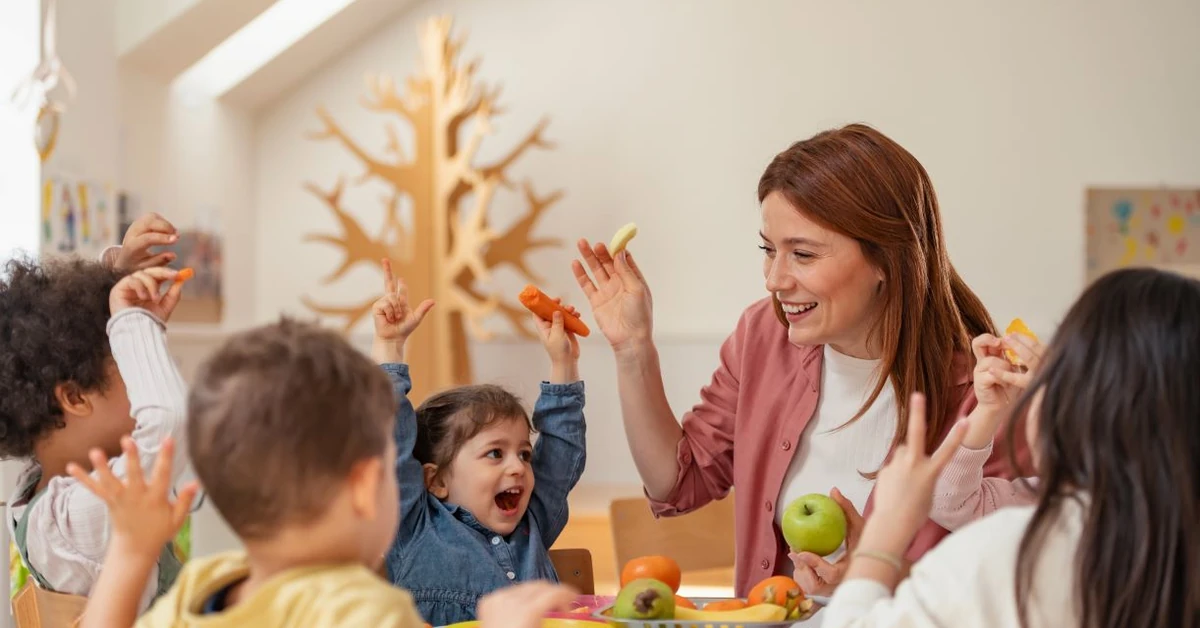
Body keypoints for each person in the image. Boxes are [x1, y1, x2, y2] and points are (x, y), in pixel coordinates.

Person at [570, 123, 1028, 595]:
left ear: (886, 261)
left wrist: (880, 579)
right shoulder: (763, 336)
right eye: (769, 250)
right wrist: (633, 350)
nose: (774, 279)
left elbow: (1011, 586)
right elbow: (679, 482)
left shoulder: (990, 392)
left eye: (803, 254)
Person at [821, 267, 1200, 628]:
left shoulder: (1012, 553)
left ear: (1081, 401)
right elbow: (952, 501)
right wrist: (988, 414)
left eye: (1056, 370)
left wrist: (884, 535)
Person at [373, 260, 588, 625]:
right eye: (494, 453)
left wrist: (563, 362)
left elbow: (562, 451)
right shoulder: (415, 527)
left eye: (524, 453)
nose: (518, 466)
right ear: (436, 480)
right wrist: (390, 348)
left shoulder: (532, 520)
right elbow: (390, 446)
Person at [1, 259, 188, 609]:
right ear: (74, 397)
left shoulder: (42, 489)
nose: (149, 380)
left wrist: (120, 269)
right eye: (134, 366)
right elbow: (167, 423)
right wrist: (132, 322)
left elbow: (59, 335)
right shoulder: (68, 519)